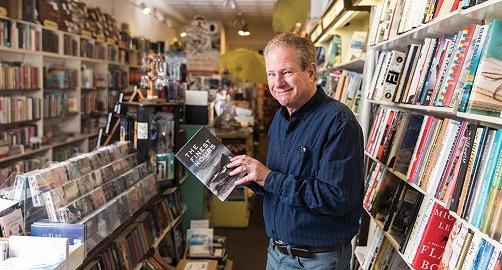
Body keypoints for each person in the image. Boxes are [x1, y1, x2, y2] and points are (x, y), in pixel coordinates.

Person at [226, 33, 364, 270]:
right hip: (277, 253)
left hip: (316, 261)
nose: (277, 82)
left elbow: (337, 198)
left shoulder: (339, 122)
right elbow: (281, 186)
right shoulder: (280, 118)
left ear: (310, 72)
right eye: (271, 74)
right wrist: (250, 177)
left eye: (287, 72)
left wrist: (266, 177)